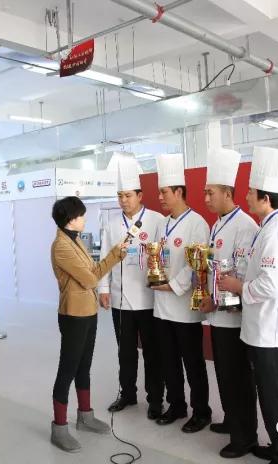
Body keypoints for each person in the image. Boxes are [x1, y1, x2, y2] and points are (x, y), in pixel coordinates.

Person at [219, 146, 278, 464]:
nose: (245, 196)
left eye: (250, 192)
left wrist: (238, 287)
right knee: (270, 396)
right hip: (264, 328)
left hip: (274, 331)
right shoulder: (268, 228)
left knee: (277, 397)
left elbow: (271, 284)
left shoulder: (277, 232)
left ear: (265, 198)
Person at [49, 196, 129, 453]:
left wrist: (116, 253)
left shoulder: (76, 240)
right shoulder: (61, 246)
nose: (84, 219)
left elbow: (94, 271)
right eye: (81, 215)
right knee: (67, 370)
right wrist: (109, 260)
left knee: (84, 367)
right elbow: (91, 279)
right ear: (71, 219)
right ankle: (59, 428)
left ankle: (85, 416)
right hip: (73, 315)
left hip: (88, 312)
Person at [201, 148, 266, 459]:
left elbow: (241, 276)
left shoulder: (245, 227)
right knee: (225, 375)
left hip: (235, 318)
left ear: (227, 193)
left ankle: (245, 438)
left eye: (210, 193)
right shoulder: (217, 224)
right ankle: (232, 421)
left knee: (238, 379)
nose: (206, 198)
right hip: (218, 315)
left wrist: (215, 302)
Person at [98, 156, 165, 420]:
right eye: (119, 196)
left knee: (152, 353)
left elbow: (164, 257)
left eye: (127, 195)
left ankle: (155, 399)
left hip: (149, 299)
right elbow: (105, 258)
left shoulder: (157, 220)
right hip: (120, 299)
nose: (123, 201)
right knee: (125, 353)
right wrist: (103, 289)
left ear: (139, 195)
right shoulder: (112, 224)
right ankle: (127, 393)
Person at [151, 154, 213, 434]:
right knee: (168, 361)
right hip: (162, 306)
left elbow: (196, 264)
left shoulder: (197, 223)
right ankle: (176, 405)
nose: (160, 197)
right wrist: (154, 275)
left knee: (193, 363)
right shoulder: (162, 223)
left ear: (178, 192)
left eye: (164, 192)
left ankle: (201, 411)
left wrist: (172, 285)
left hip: (184, 307)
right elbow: (156, 256)